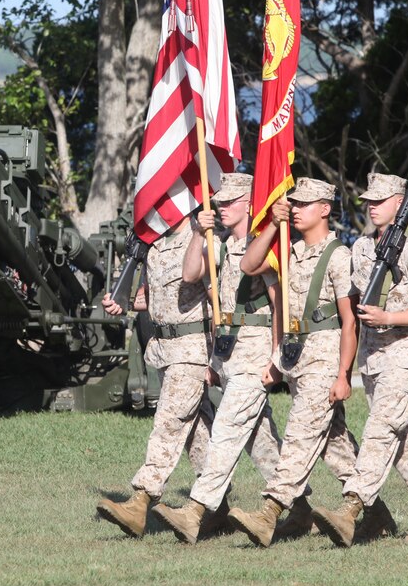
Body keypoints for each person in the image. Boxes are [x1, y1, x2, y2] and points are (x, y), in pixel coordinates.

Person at [312, 173, 408, 547]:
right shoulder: (360, 248)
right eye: (368, 201)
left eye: (380, 200)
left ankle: (351, 510)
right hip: (373, 359)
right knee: (404, 439)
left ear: (399, 203)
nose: (372, 206)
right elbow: (352, 301)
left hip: (405, 354)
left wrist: (389, 318)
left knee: (381, 430)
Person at [151, 173, 288, 544]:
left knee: (225, 432)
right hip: (227, 353)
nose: (221, 208)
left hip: (256, 348)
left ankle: (196, 511)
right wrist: (198, 233)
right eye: (219, 202)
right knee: (260, 442)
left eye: (229, 202)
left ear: (248, 203)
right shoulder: (221, 245)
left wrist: (278, 357)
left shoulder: (266, 246)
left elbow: (279, 304)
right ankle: (301, 507)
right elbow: (190, 273)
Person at [225, 178, 361, 547]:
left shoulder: (339, 256)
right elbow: (249, 265)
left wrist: (344, 374)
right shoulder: (291, 250)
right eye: (293, 204)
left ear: (325, 208)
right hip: (297, 358)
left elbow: (350, 321)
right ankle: (375, 510)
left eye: (303, 204)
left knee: (300, 435)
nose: (296, 209)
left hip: (325, 358)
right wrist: (272, 221)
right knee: (334, 445)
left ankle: (268, 513)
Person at [95, 213, 217, 538]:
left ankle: (141, 499)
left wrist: (217, 356)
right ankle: (216, 506)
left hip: (192, 349)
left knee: (169, 423)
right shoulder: (155, 245)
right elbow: (154, 298)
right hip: (164, 349)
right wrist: (123, 303)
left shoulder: (201, 239)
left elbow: (219, 296)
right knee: (197, 434)